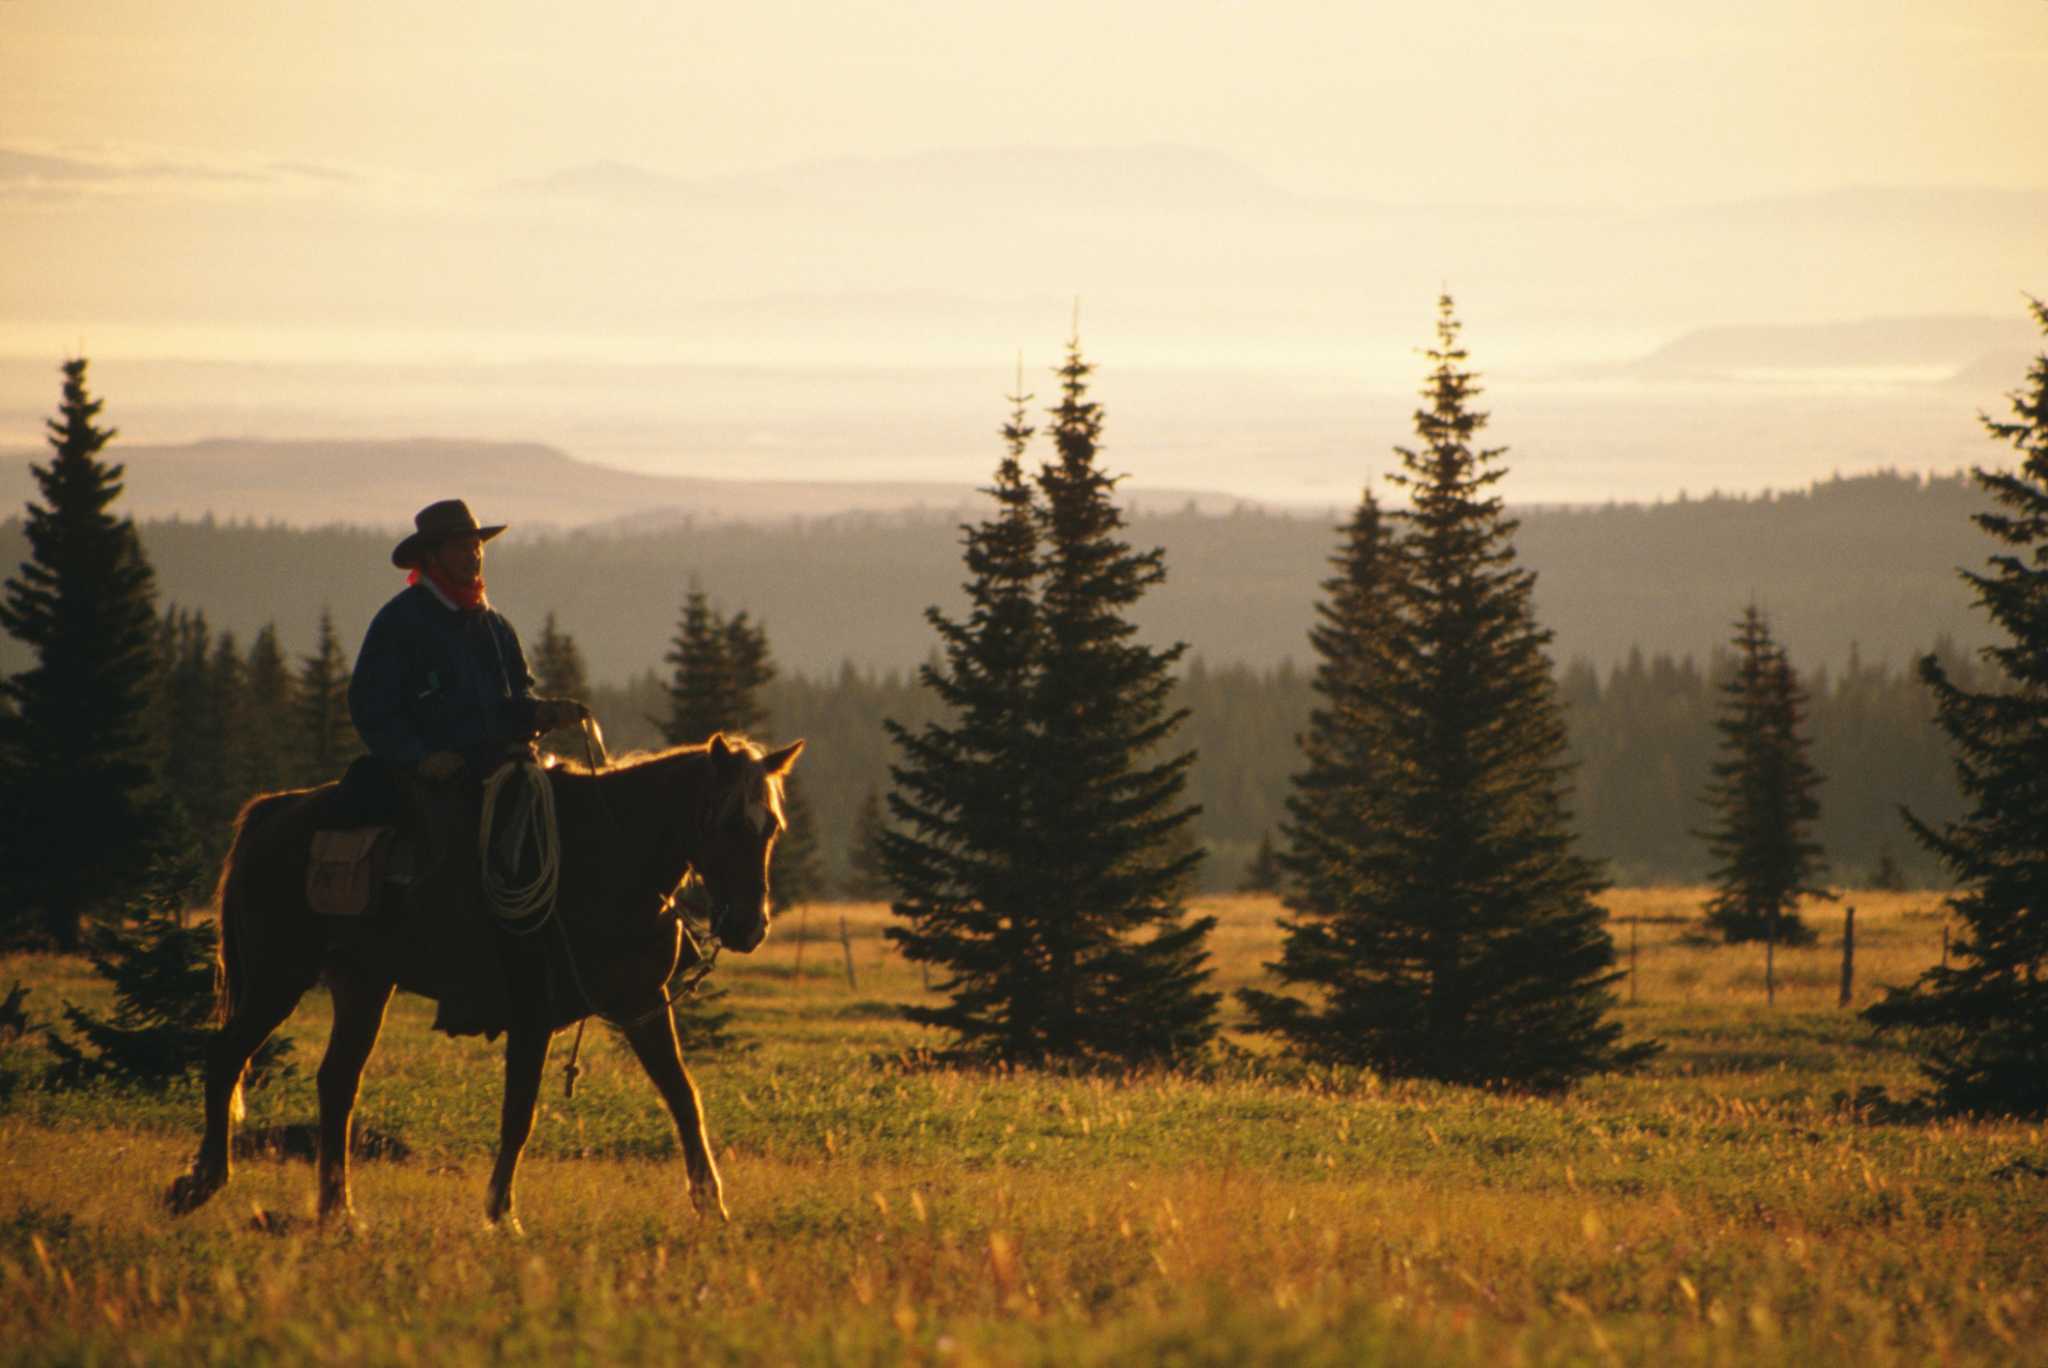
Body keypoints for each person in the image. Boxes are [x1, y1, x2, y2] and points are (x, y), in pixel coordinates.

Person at [345, 498, 584, 1033]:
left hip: (500, 769)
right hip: (432, 775)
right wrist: (419, 757)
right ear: (431, 557)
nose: (474, 555)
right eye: (461, 546)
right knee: (456, 855)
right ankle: (461, 983)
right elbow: (369, 705)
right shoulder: (401, 621)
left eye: (477, 545)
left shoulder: (494, 625)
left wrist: (543, 713)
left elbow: (513, 702)